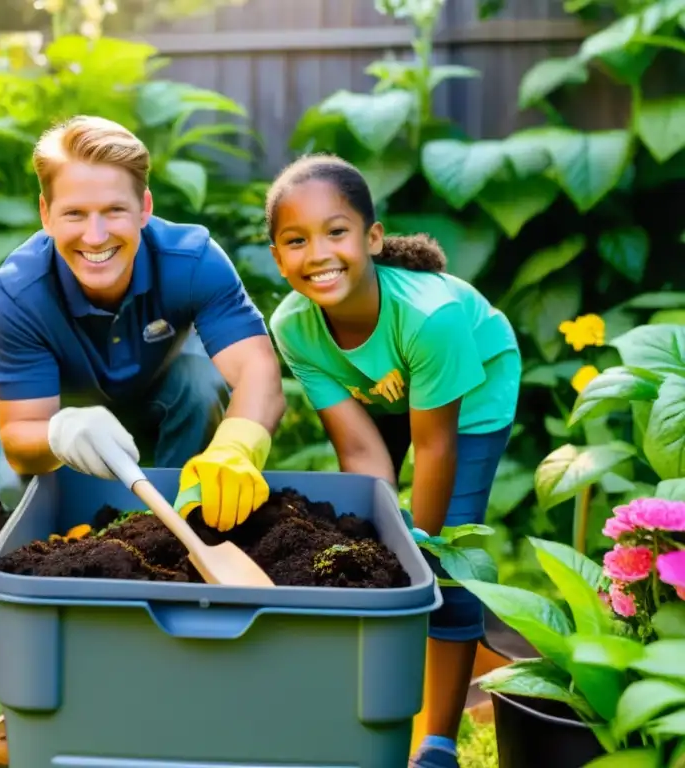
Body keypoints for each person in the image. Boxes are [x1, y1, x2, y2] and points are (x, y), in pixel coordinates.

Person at [0, 114, 286, 764]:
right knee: (18, 485)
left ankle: (181, 586)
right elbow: (18, 438)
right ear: (44, 212)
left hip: (161, 406)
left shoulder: (191, 259)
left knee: (204, 384)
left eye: (114, 211)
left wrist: (238, 445)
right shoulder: (20, 289)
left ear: (145, 207)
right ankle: (53, 671)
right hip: (65, 428)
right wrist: (63, 430)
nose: (95, 236)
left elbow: (258, 372)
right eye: (74, 214)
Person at [265, 154, 521, 768]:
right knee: (376, 543)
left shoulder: (432, 316)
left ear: (372, 238)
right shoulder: (295, 326)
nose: (318, 253)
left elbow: (434, 446)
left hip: (474, 387)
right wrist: (386, 542)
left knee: (445, 561)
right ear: (277, 257)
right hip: (381, 386)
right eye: (296, 241)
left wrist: (422, 548)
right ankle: (447, 672)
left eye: (336, 232)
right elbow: (360, 450)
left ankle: (437, 741)